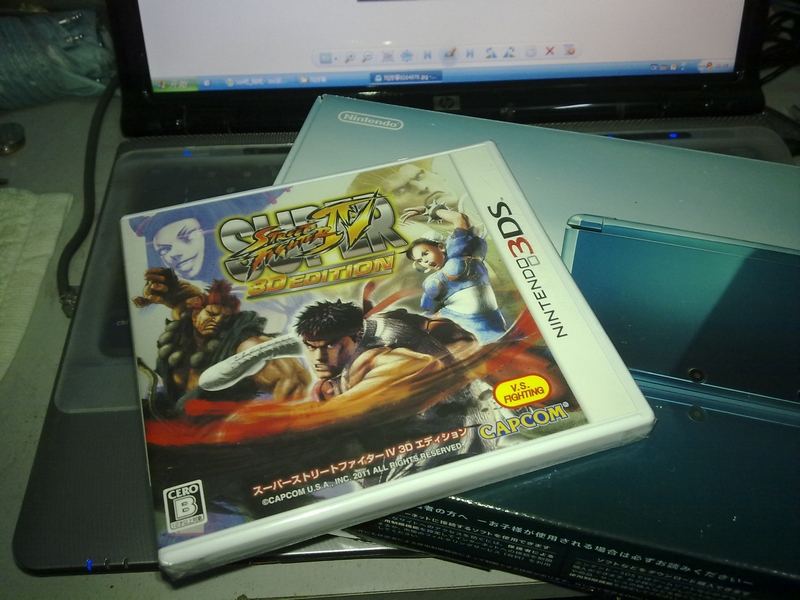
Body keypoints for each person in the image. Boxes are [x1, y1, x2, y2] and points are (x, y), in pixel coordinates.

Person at [292, 299, 496, 480]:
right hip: (408, 458)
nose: (319, 358)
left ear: (357, 335)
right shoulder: (333, 381)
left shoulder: (375, 352)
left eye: (330, 346)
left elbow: (426, 363)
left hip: (450, 449)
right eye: (311, 346)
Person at [134, 268, 310, 416]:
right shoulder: (182, 333)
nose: (217, 321)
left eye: (224, 318)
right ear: (195, 314)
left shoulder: (247, 345)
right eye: (211, 314)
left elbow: (294, 382)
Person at [401, 204, 508, 343]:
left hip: (493, 322)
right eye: (420, 260)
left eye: (425, 253)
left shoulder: (459, 251)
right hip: (463, 325)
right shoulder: (432, 282)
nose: (425, 261)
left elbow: (459, 218)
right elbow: (429, 311)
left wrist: (427, 210)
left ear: (440, 247)